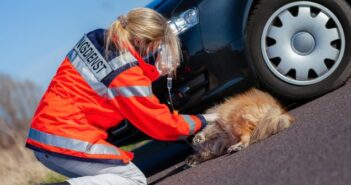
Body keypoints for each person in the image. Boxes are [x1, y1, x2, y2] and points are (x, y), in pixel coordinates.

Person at [26, 8, 218, 185]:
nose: (159, 51)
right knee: (132, 180)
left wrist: (152, 71)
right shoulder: (126, 74)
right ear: (144, 42)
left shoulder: (97, 38)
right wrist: (203, 120)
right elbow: (161, 124)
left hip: (46, 135)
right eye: (159, 46)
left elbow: (111, 82)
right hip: (67, 139)